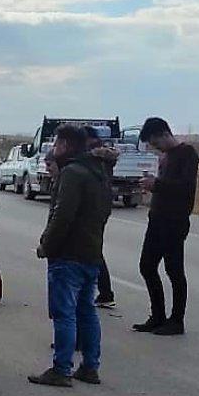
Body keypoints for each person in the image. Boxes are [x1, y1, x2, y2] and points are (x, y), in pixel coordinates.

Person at [29, 124, 113, 387]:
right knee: (86, 310)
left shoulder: (72, 173)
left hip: (68, 254)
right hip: (91, 252)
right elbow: (105, 211)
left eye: (56, 144)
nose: (54, 149)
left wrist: (47, 245)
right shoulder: (97, 171)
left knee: (64, 312)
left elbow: (62, 215)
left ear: (65, 145)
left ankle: (61, 368)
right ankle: (90, 366)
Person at [133, 117, 199, 336]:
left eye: (155, 143)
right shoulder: (165, 157)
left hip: (175, 221)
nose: (155, 148)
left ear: (164, 134)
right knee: (147, 266)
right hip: (157, 219)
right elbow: (165, 187)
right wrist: (153, 187)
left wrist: (157, 184)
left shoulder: (187, 153)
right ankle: (158, 315)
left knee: (174, 270)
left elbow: (186, 187)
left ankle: (176, 320)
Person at [84, 125, 119, 308]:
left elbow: (111, 155)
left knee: (94, 249)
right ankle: (104, 292)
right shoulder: (100, 154)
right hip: (101, 205)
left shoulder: (98, 154)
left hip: (97, 207)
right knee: (94, 248)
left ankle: (105, 292)